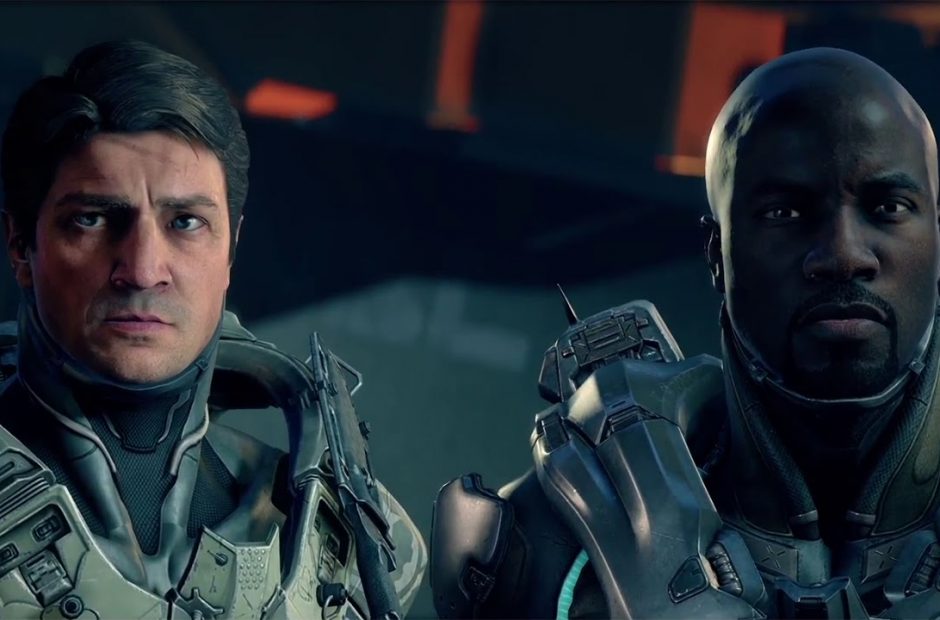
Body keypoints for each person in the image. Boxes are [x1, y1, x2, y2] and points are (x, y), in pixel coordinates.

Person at [430, 47, 940, 619]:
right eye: (785, 214)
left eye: (889, 206)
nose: (844, 255)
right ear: (717, 255)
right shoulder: (556, 530)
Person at [0, 40, 425, 619]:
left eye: (185, 222)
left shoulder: (345, 542)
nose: (143, 270)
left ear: (231, 249)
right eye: (92, 219)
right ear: (20, 245)